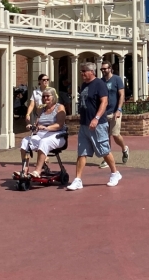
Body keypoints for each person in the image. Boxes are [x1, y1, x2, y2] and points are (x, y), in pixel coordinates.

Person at [67, 62, 122, 190]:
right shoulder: (84, 85)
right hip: (84, 124)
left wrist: (96, 118)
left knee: (104, 150)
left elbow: (104, 102)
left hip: (98, 124)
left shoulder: (99, 84)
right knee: (82, 152)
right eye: (81, 71)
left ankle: (115, 173)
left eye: (84, 71)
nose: (82, 74)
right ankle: (78, 179)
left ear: (91, 72)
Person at [18, 88, 67, 177]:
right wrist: (32, 126)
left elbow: (59, 125)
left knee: (44, 142)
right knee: (25, 140)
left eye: (48, 96)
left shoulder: (59, 107)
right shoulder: (41, 109)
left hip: (57, 135)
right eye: (43, 96)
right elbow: (37, 125)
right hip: (42, 135)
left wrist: (46, 128)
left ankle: (37, 171)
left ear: (53, 97)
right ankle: (24, 169)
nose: (45, 98)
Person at [100, 61, 129, 164]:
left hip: (115, 112)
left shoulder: (117, 79)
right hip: (104, 113)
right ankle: (107, 158)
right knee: (105, 137)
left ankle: (124, 148)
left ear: (110, 68)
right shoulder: (101, 81)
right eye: (102, 69)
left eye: (105, 69)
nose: (103, 71)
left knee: (115, 135)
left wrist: (119, 110)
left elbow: (121, 95)